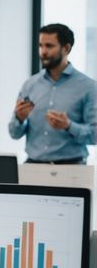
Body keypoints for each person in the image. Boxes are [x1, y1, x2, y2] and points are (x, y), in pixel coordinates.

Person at [9, 23, 96, 164]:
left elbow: (95, 135)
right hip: (33, 166)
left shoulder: (88, 87)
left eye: (49, 46)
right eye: (40, 45)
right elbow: (14, 133)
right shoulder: (30, 85)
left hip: (72, 168)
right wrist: (19, 119)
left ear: (66, 48)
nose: (43, 52)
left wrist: (68, 125)